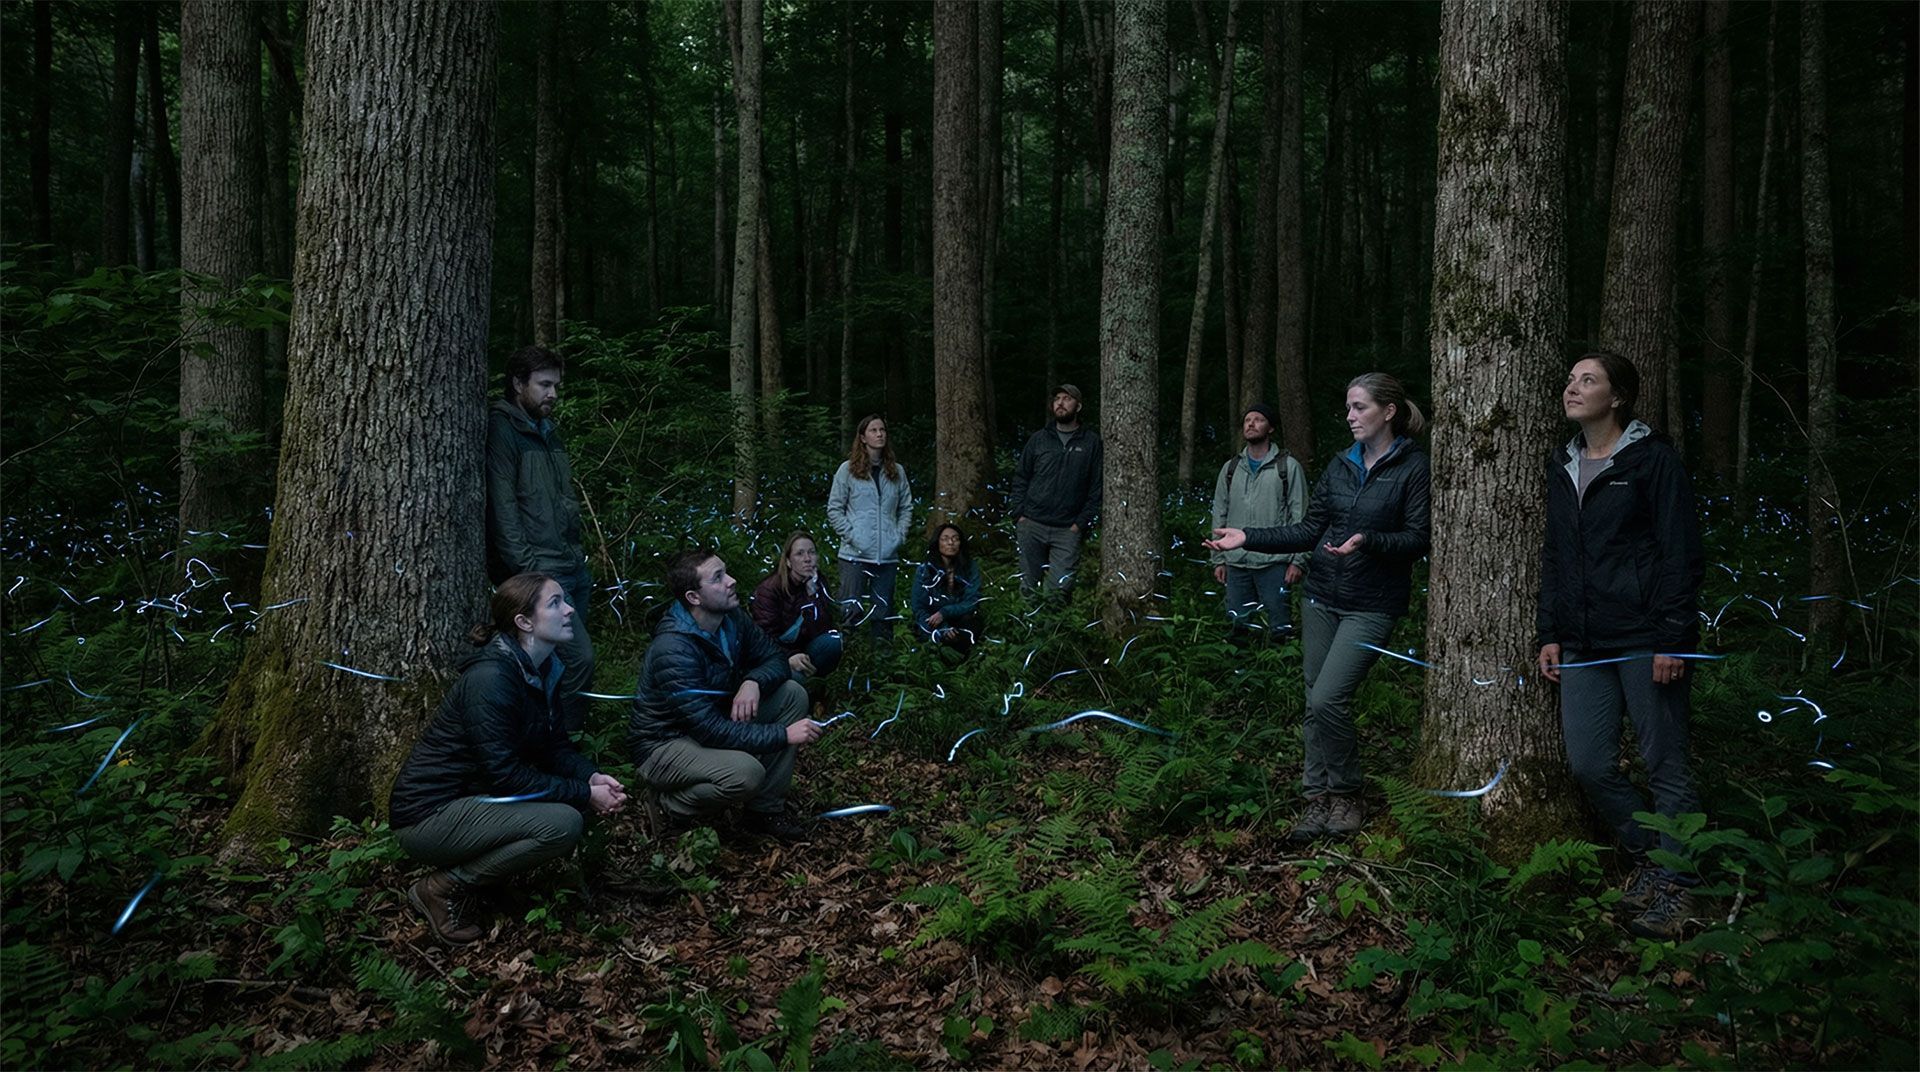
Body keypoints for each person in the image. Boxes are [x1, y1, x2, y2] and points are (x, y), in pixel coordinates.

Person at [1206, 373, 1431, 845]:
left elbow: (1417, 538)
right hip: (1322, 597)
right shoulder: (1340, 465)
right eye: (1348, 408)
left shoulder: (1413, 468)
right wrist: (1247, 536)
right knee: (1314, 701)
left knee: (1329, 698)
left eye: (1359, 408)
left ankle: (1348, 793)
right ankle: (1317, 798)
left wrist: (1368, 541)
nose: (1349, 417)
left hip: (1371, 605)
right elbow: (1309, 530)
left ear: (1388, 412)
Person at [1537, 351, 1704, 941]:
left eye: (1588, 380)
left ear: (1619, 397)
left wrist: (1673, 638)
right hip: (1583, 641)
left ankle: (1680, 890)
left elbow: (1678, 551)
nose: (1573, 388)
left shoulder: (1652, 460)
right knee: (1588, 763)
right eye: (1571, 380)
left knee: (1665, 763)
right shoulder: (1563, 464)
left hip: (1645, 637)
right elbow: (1556, 556)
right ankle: (1650, 861)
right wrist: (1549, 631)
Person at [389, 573, 628, 946]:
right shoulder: (493, 678)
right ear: (524, 622)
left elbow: (555, 749)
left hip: (476, 802)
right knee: (563, 821)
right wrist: (582, 793)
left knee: (571, 807)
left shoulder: (544, 669)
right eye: (555, 604)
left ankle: (490, 881)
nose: (568, 611)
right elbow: (506, 775)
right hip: (429, 814)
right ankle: (441, 888)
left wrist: (592, 777)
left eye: (565, 601)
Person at [630, 549, 822, 842]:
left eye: (726, 572)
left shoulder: (732, 618)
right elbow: (707, 730)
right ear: (694, 597)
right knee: (747, 774)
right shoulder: (673, 648)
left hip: (712, 720)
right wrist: (783, 735)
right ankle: (673, 804)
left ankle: (764, 810)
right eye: (718, 578)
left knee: (792, 693)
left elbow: (775, 659)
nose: (731, 581)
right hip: (665, 742)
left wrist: (753, 681)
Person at [486, 345, 594, 732]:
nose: (553, 394)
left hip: (570, 566)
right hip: (541, 573)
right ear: (518, 384)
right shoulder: (503, 430)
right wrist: (528, 575)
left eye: (556, 386)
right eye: (544, 385)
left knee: (560, 665)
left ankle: (554, 744)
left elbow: (562, 502)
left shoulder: (549, 432)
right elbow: (503, 509)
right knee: (580, 661)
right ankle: (559, 744)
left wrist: (578, 557)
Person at [1210, 402, 1309, 644]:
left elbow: (1301, 516)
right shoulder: (1231, 469)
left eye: (1258, 419)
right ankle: (1239, 674)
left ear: (1271, 428)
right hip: (1237, 562)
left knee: (1279, 626)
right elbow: (1219, 512)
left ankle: (1279, 675)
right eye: (1247, 420)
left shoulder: (1288, 467)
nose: (1251, 424)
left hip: (1274, 563)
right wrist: (1218, 558)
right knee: (1238, 625)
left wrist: (1298, 560)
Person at [1011, 384, 1104, 600]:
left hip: (1067, 530)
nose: (1060, 403)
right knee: (1028, 588)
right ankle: (1027, 630)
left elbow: (1096, 487)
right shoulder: (1039, 439)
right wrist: (1019, 514)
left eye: (1067, 398)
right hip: (1031, 524)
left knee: (1059, 590)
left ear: (1078, 406)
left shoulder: (1090, 442)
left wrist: (1079, 524)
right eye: (1057, 399)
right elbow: (1021, 477)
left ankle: (1053, 630)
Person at [827, 415, 913, 647]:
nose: (880, 434)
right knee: (850, 611)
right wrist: (853, 536)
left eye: (882, 429)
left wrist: (899, 535)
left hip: (887, 556)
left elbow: (906, 507)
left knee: (883, 613)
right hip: (854, 556)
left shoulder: (897, 472)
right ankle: (847, 659)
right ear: (863, 438)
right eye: (873, 430)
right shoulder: (847, 470)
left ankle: (882, 665)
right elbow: (834, 509)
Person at [750, 531, 844, 683]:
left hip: (806, 649)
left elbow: (824, 630)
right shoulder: (769, 589)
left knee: (834, 641)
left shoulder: (818, 582)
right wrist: (789, 656)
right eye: (800, 554)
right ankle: (805, 688)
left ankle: (819, 684)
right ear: (788, 561)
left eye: (811, 553)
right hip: (777, 652)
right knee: (796, 677)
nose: (807, 559)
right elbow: (764, 635)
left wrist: (812, 594)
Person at [911, 523, 983, 662]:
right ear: (937, 543)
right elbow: (918, 607)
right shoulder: (925, 570)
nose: (951, 543)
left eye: (955, 539)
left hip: (959, 619)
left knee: (972, 623)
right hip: (932, 622)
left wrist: (945, 612)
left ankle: (965, 666)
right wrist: (942, 628)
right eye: (945, 539)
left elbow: (973, 600)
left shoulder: (969, 567)